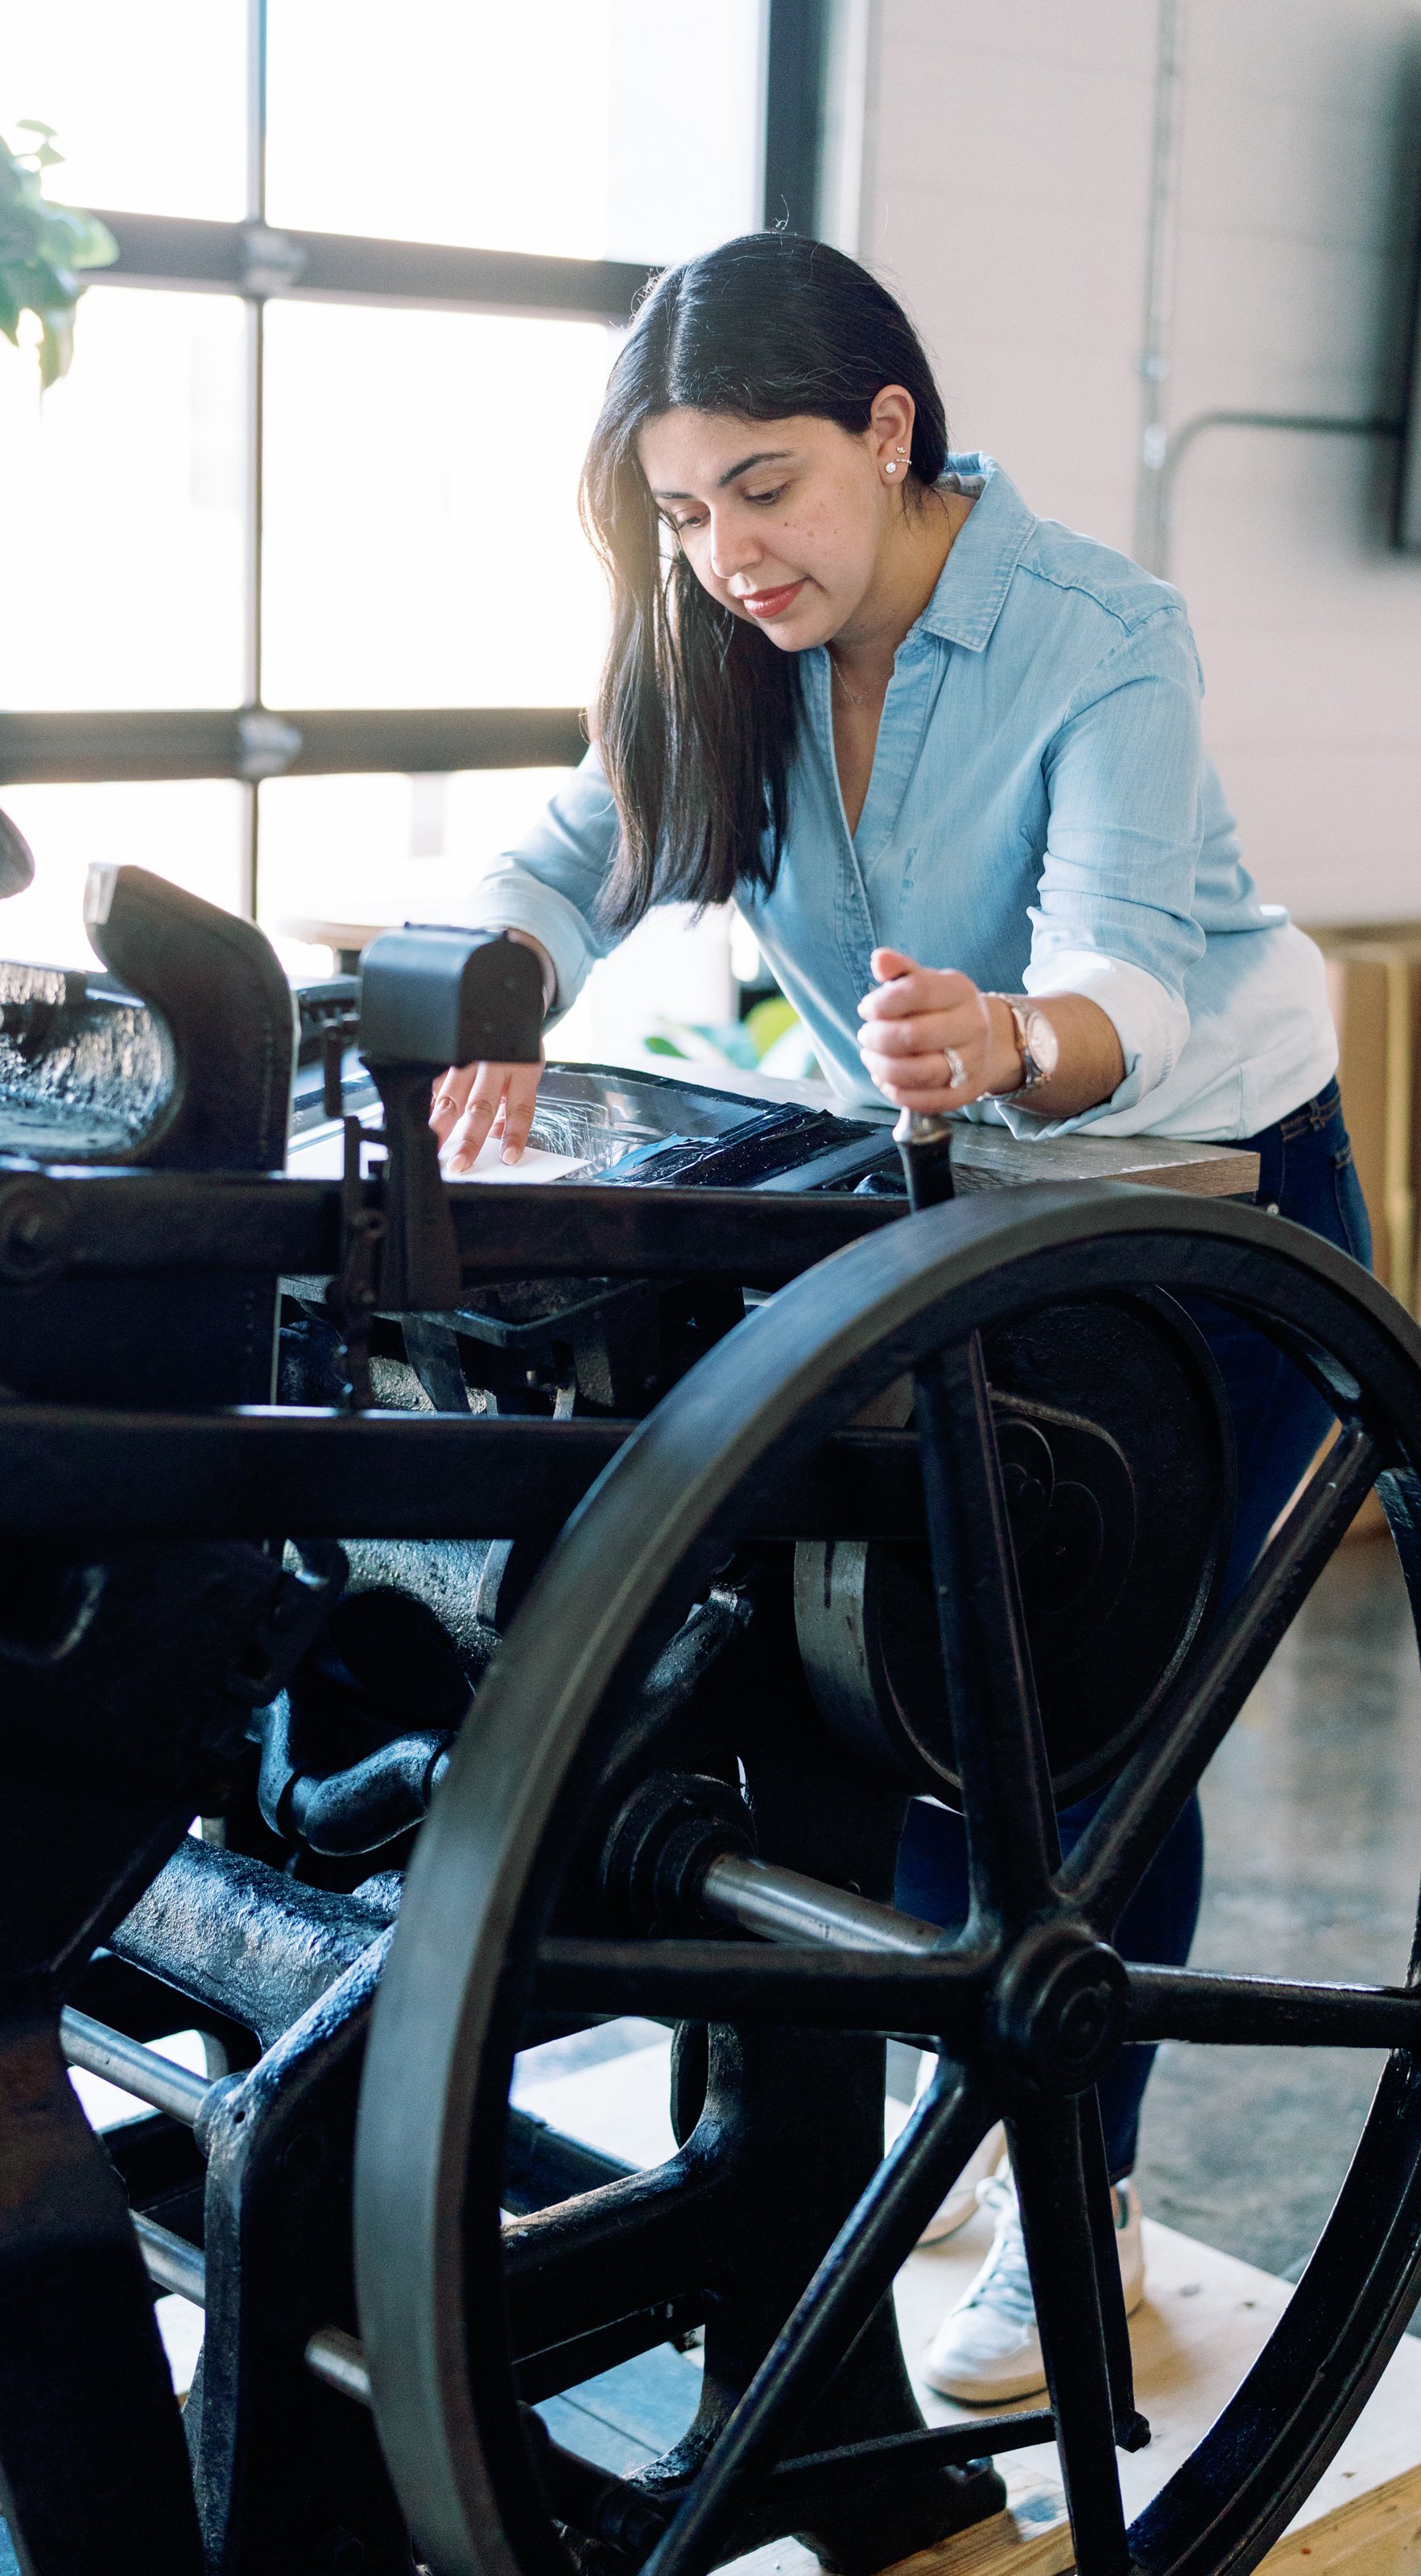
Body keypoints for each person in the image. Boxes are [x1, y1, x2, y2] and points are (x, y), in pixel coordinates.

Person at [429, 230, 1371, 2405]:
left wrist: (1014, 1041)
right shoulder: (725, 639)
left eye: (765, 487)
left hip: (1186, 1171)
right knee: (909, 1669)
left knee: (1092, 1709)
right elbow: (573, 855)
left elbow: (1126, 970)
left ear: (890, 429)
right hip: (959, 1182)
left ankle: (1083, 2219)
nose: (725, 551)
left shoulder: (1101, 630)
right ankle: (945, 2099)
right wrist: (477, 974)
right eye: (678, 509)